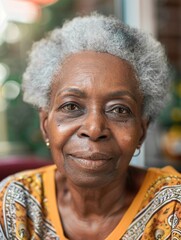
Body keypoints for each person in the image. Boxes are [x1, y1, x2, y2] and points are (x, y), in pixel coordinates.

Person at [0, 13, 180, 240]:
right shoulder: (15, 204)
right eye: (72, 106)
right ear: (45, 125)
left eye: (119, 110)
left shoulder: (175, 207)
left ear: (141, 132)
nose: (94, 129)